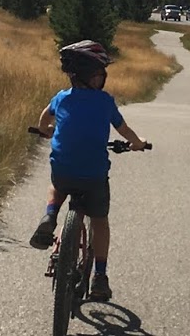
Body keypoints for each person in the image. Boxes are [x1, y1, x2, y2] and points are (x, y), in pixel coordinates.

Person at [30, 40, 148, 302]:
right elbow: (124, 130)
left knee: (57, 184)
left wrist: (45, 131)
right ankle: (100, 277)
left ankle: (50, 215)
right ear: (92, 76)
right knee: (99, 221)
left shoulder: (61, 98)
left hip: (64, 170)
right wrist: (137, 143)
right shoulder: (105, 102)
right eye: (100, 74)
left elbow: (44, 118)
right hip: (93, 176)